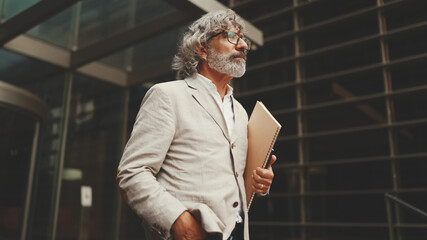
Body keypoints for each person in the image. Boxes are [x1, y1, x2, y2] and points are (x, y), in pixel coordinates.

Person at [117, 9, 276, 240]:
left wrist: (259, 182)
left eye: (243, 39)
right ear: (202, 49)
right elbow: (131, 173)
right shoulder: (167, 96)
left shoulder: (241, 113)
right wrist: (178, 220)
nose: (242, 45)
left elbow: (232, 179)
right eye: (231, 35)